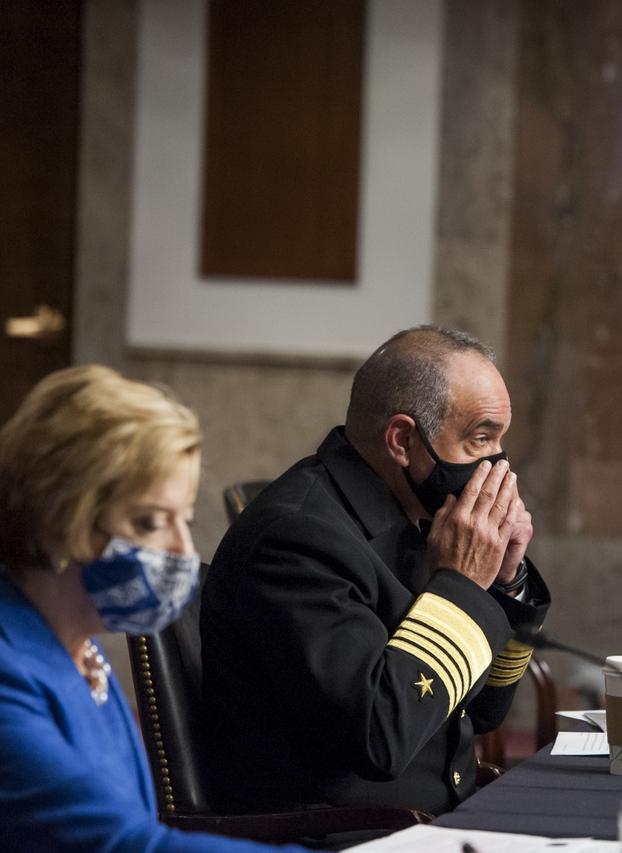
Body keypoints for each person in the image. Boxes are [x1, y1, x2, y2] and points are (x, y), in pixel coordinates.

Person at [201, 326, 550, 816]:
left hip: (440, 819)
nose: (500, 469)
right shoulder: (298, 540)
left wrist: (505, 580)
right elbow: (380, 737)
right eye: (480, 439)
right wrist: (465, 584)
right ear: (404, 439)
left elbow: (485, 711)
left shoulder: (415, 518)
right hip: (345, 836)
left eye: (500, 440)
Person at [0, 365, 299, 851]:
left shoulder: (81, 650)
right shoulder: (10, 669)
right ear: (62, 516)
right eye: (151, 522)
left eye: (185, 520)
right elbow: (124, 844)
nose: (183, 550)